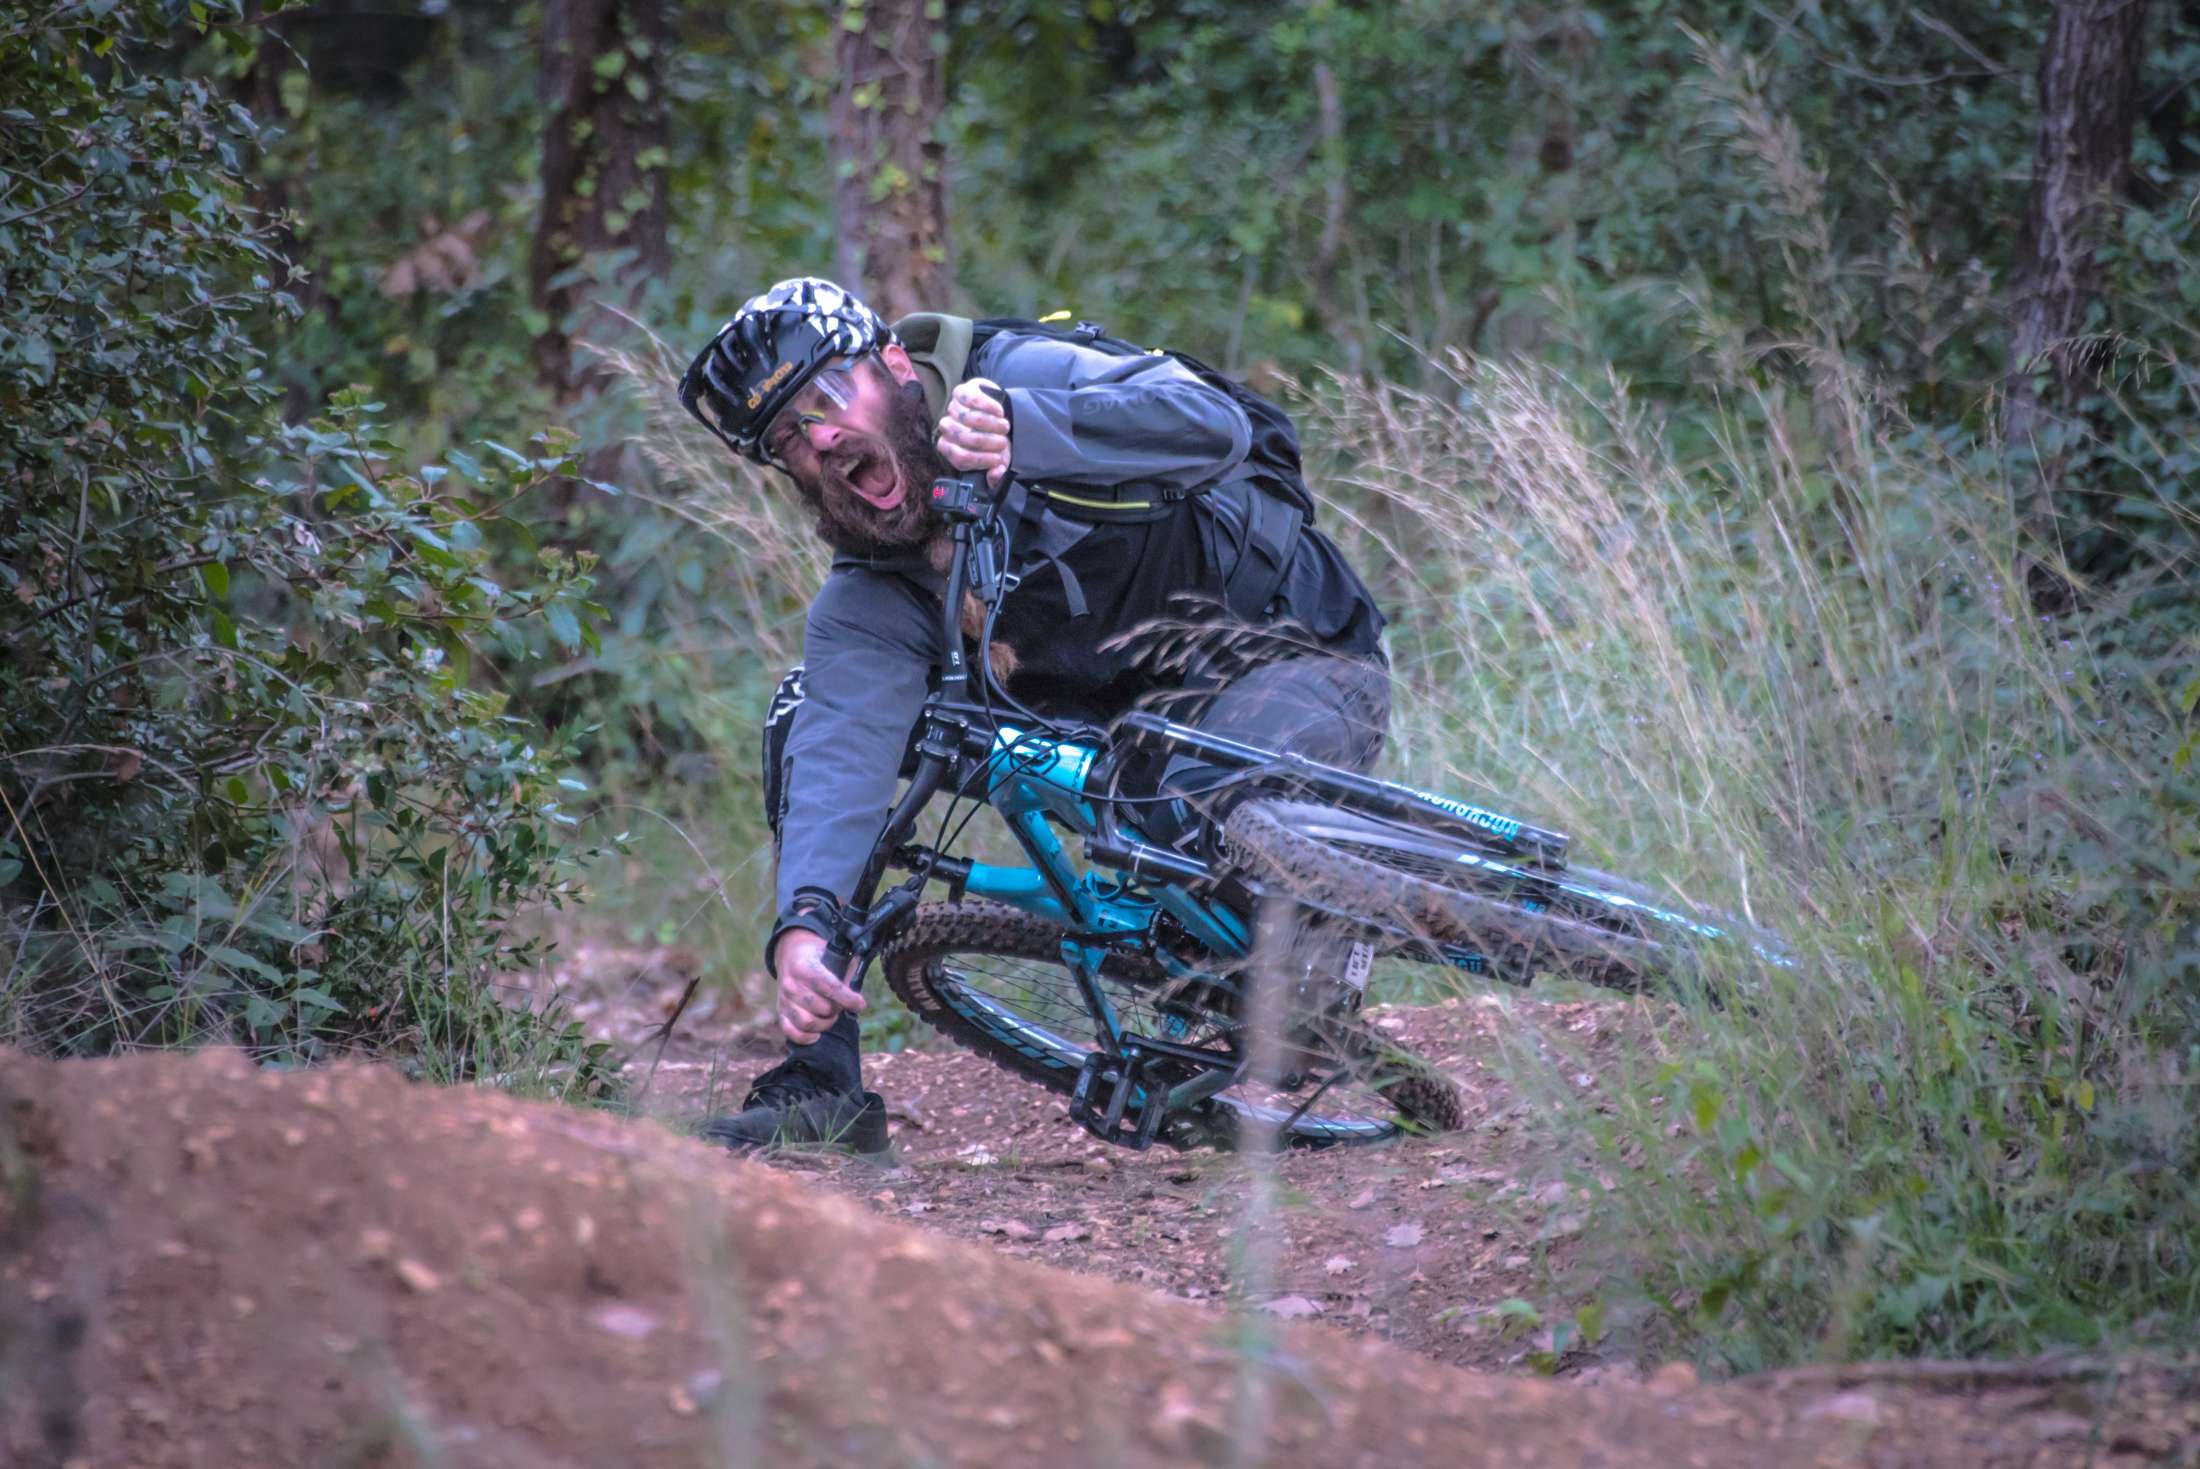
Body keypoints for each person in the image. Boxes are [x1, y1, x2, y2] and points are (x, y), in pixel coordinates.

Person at [678, 276, 1392, 1153]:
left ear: (894, 364)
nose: (821, 438)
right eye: (789, 437)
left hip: (1289, 658)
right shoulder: (872, 589)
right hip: (1116, 734)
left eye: (828, 397)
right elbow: (841, 748)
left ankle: (1292, 955)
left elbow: (1215, 424)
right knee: (803, 713)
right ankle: (818, 1082)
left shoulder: (1019, 374)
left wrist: (1032, 428)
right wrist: (808, 925)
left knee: (1206, 823)